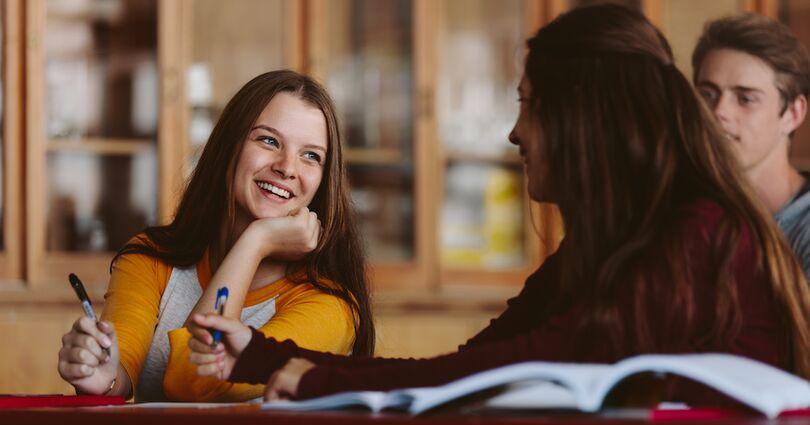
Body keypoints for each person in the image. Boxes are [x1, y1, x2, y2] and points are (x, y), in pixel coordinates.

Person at [188, 5, 810, 404]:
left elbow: (506, 372)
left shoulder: (693, 232)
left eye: (530, 105)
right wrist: (263, 354)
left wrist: (317, 379)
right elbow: (466, 367)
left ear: (581, 122)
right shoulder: (610, 248)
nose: (516, 133)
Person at [57, 70, 375, 402]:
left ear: (324, 180)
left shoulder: (330, 305)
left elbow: (196, 382)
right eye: (268, 140)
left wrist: (256, 242)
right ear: (229, 146)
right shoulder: (149, 259)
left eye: (311, 156)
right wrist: (102, 376)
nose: (287, 167)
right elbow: (121, 381)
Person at [692, 14, 810, 281]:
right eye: (707, 94)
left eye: (745, 98)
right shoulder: (689, 211)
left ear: (793, 113)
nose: (719, 111)